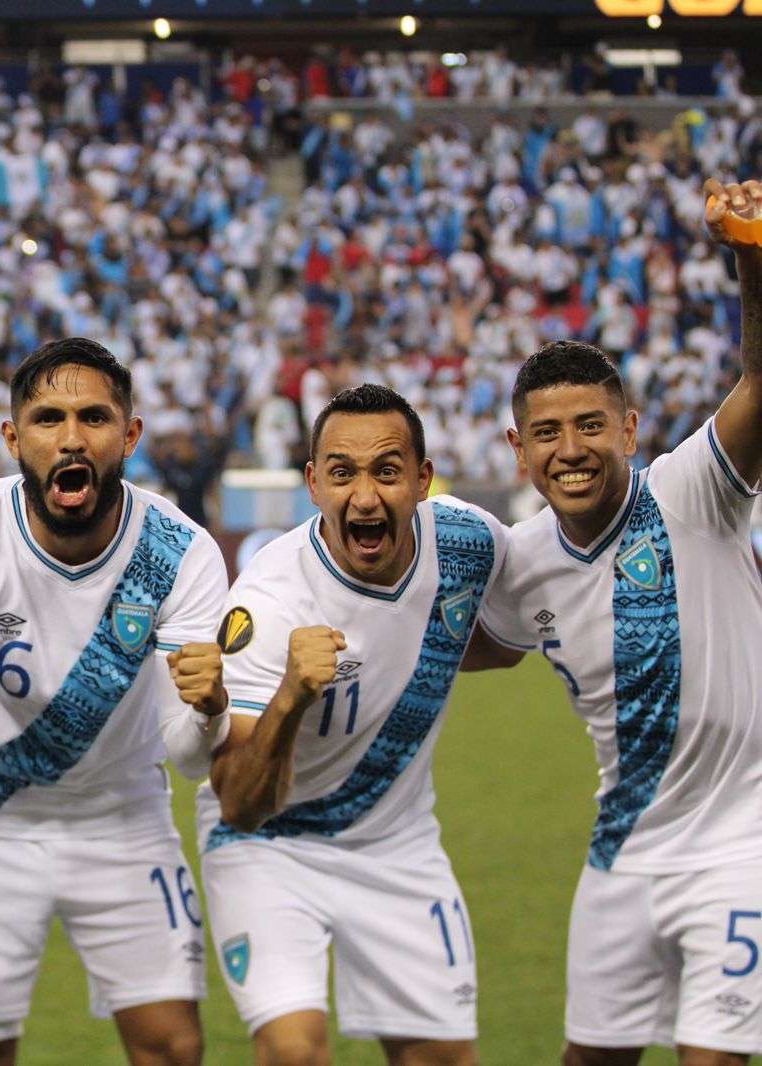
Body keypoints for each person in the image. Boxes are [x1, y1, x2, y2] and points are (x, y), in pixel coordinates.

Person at [466, 178, 762, 1066]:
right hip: (622, 850)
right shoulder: (520, 562)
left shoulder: (693, 491)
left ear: (630, 429)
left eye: (590, 425)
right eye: (547, 433)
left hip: (740, 846)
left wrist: (750, 253)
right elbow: (471, 649)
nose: (571, 450)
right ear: (517, 451)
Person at [0, 338, 230, 1066]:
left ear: (130, 434)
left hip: (124, 819)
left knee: (174, 1049)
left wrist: (210, 708)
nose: (73, 438)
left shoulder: (181, 551)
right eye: (49, 419)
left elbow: (189, 759)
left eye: (94, 416)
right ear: (13, 437)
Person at [191, 383, 504, 1066]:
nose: (364, 496)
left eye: (386, 471)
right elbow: (238, 805)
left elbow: (512, 635)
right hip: (272, 845)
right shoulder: (270, 603)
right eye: (342, 473)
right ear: (313, 482)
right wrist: (290, 698)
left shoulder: (469, 541)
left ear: (423, 479)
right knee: (295, 1052)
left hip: (396, 844)